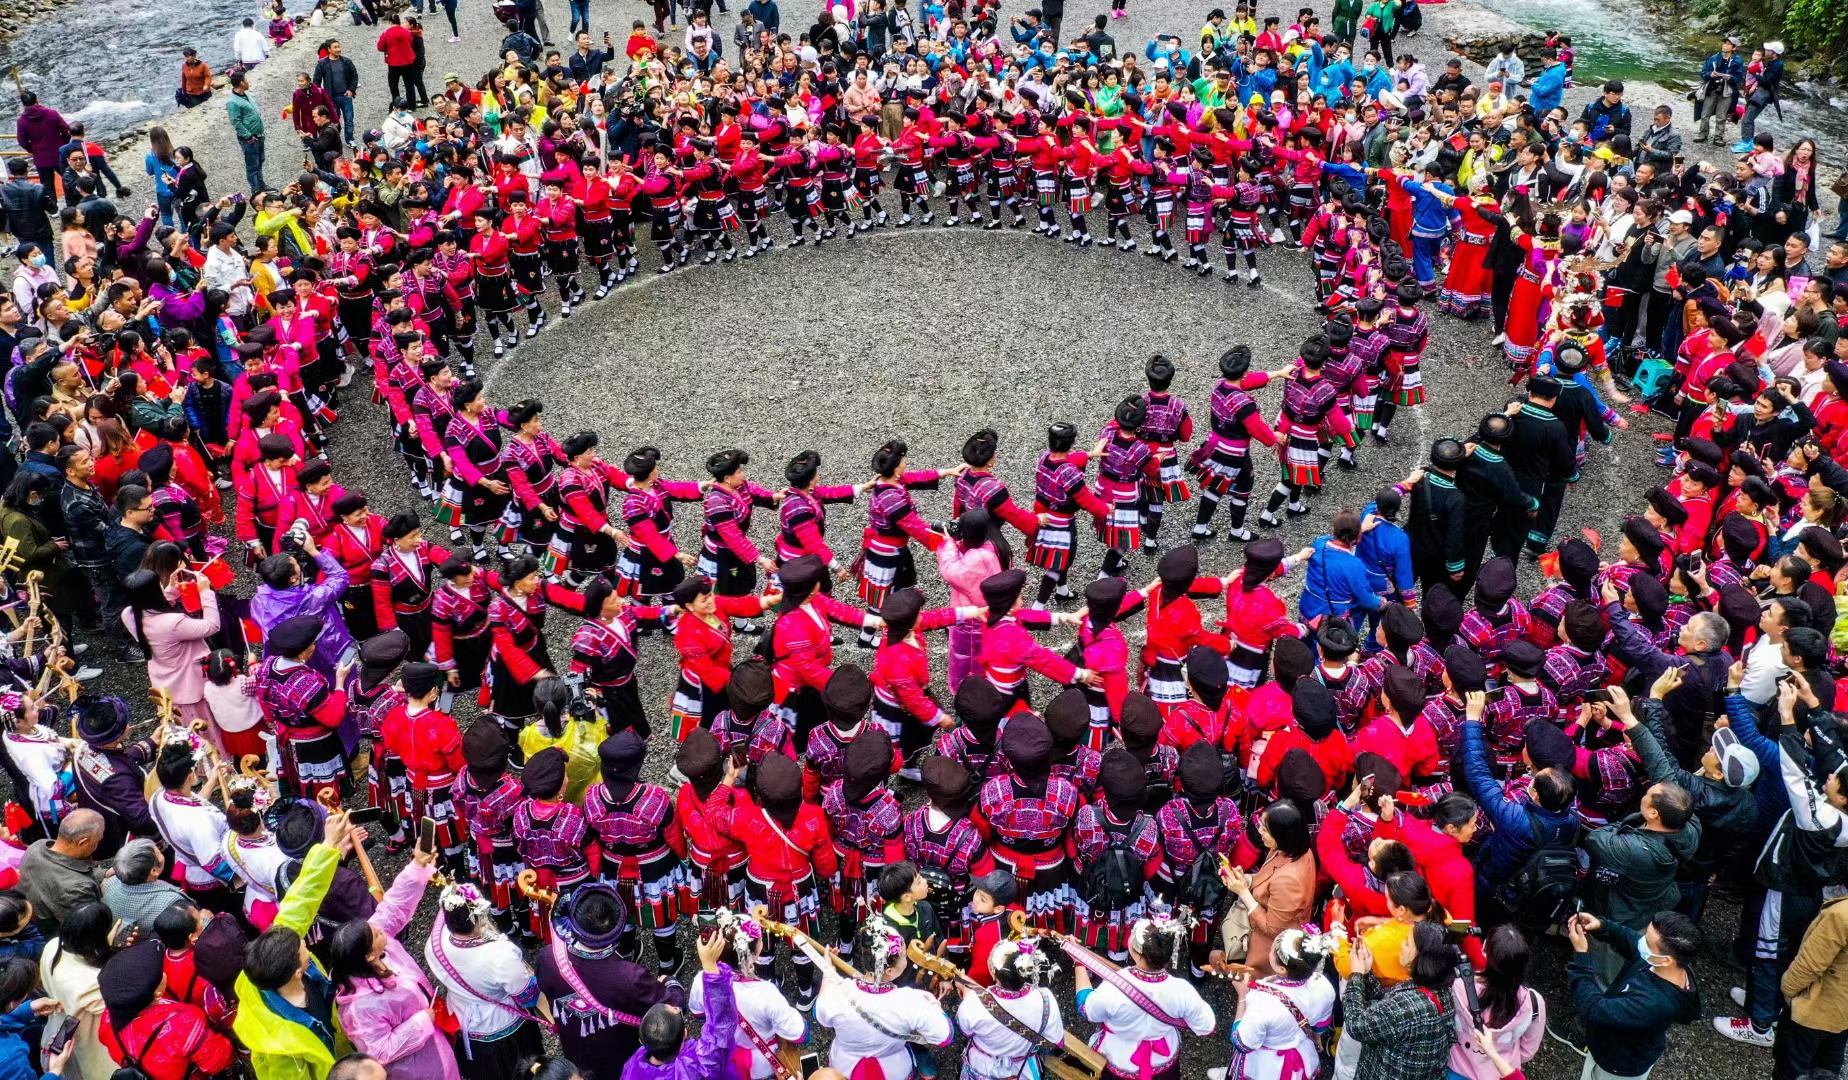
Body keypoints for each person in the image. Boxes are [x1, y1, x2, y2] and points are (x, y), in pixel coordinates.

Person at [1567, 910, 1701, 1080]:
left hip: (1617, 1065)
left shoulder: (1655, 1004)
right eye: (1646, 934)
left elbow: (1594, 1010)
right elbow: (1631, 941)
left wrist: (1581, 957)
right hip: (1608, 1046)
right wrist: (1602, 926)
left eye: (1647, 942)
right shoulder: (1661, 963)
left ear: (1667, 960)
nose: (1641, 941)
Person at [95, 940, 238, 1080]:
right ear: (157, 994)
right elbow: (219, 1061)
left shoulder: (109, 1016)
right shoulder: (184, 1024)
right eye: (161, 971)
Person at [1341, 920, 1459, 1080]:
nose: (1401, 946)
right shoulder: (1441, 989)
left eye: (1407, 943)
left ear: (1421, 956)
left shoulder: (1408, 1005)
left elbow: (1357, 1025)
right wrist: (1368, 973)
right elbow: (1385, 1010)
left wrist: (1356, 975)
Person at [621, 927, 736, 1080]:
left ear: (642, 1041)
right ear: (685, 1033)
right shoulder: (703, 1066)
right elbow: (721, 1027)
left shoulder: (631, 1069)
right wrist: (710, 967)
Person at [40, 901, 119, 1080]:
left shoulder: (53, 946)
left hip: (61, 1025)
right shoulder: (93, 984)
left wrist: (105, 944)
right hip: (90, 1040)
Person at [226, 73, 267, 196]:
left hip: (258, 135)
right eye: (246, 80)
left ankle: (261, 185)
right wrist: (248, 136)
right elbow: (236, 122)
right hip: (250, 139)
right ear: (242, 83)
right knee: (252, 165)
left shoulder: (246, 95)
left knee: (259, 161)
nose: (248, 82)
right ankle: (256, 190)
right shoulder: (232, 102)